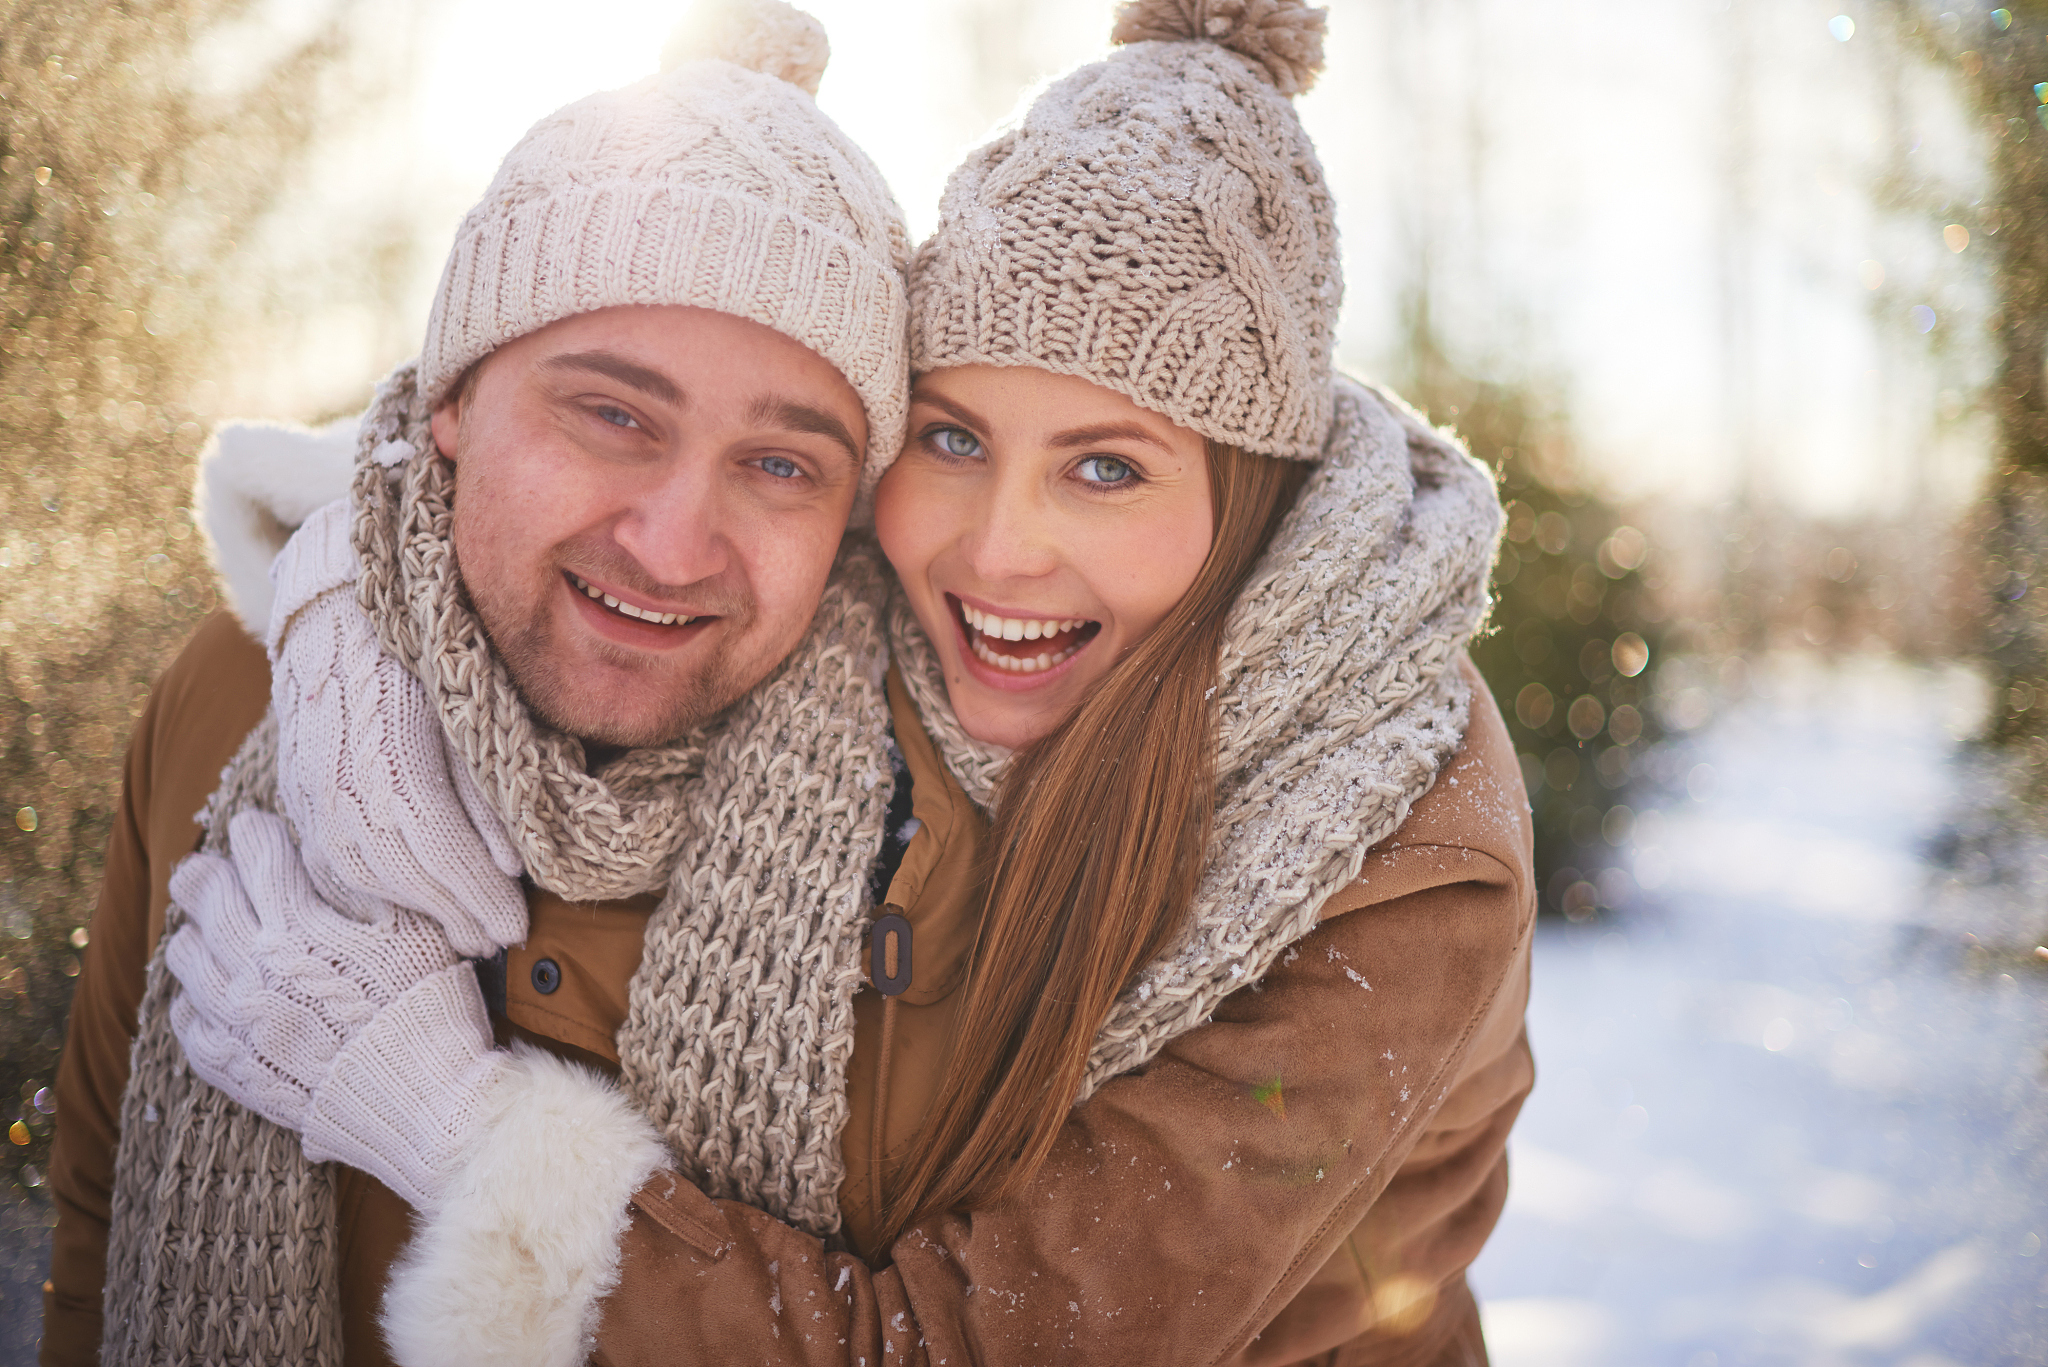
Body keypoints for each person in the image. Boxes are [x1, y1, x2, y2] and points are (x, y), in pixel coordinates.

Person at [152, 2, 1537, 1365]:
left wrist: (448, 1120)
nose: (999, 551)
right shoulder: (858, 618)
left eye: (1106, 467)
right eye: (952, 437)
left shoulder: (1403, 848)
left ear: (1255, 505)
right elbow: (586, 425)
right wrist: (354, 594)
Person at [41, 3, 915, 1363]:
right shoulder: (238, 691)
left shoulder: (933, 836)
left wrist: (454, 1119)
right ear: (451, 400)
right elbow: (98, 1209)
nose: (673, 543)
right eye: (613, 414)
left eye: (783, 463)